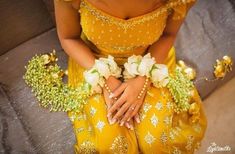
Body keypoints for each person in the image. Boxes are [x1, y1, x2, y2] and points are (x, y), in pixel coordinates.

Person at [54, 0, 207, 153]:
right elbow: (69, 38)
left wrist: (144, 78)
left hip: (151, 57)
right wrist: (105, 79)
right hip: (93, 60)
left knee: (155, 144)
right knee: (113, 145)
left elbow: (168, 34)